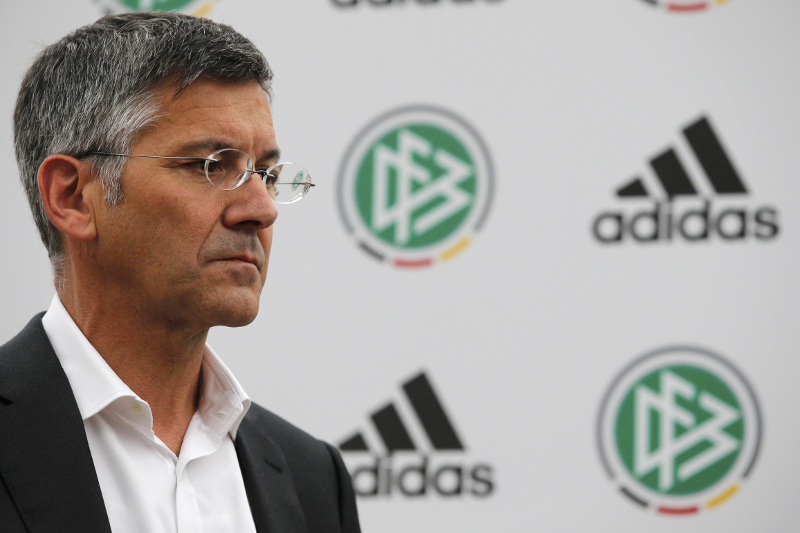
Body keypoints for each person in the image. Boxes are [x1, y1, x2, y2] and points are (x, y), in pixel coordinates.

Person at [0, 12, 360, 533]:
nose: (262, 209)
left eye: (267, 173)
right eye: (212, 165)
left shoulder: (312, 477)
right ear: (72, 197)